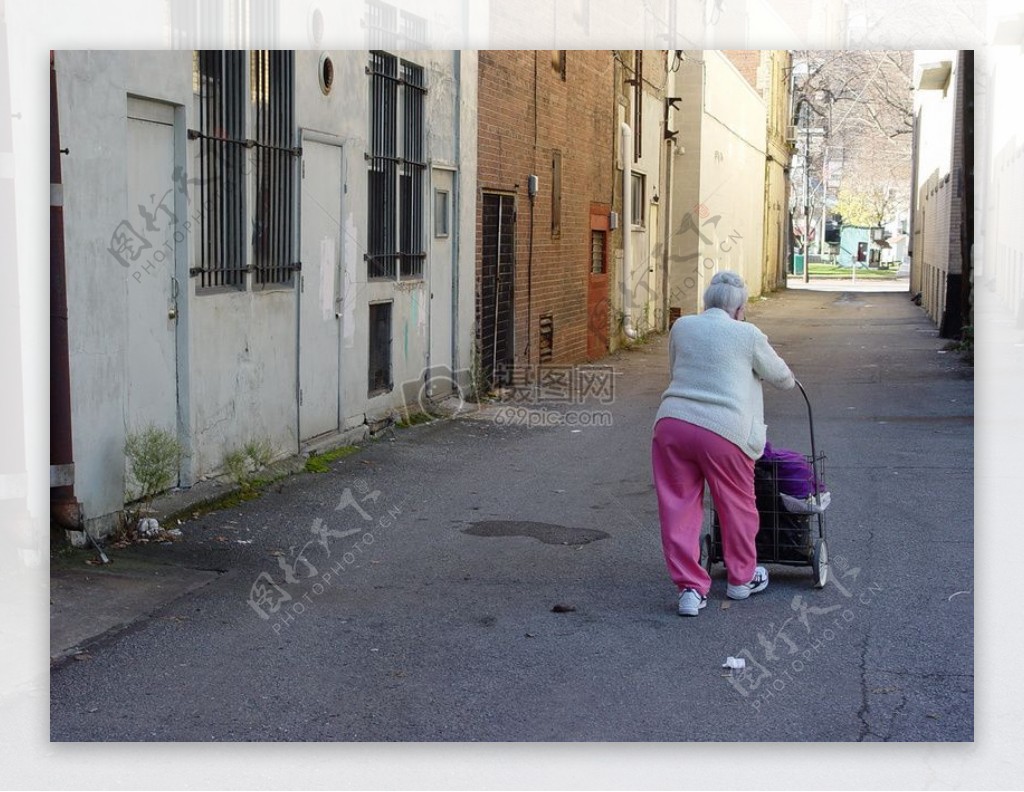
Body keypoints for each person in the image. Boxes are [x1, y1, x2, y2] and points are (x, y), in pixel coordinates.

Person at [651, 271, 795, 617]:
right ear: (740, 308)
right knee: (737, 505)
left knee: (678, 507)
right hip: (725, 432)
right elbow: (783, 378)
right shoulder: (748, 334)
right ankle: (741, 580)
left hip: (673, 424)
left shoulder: (682, 327)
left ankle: (689, 590)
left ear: (706, 302)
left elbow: (677, 369)